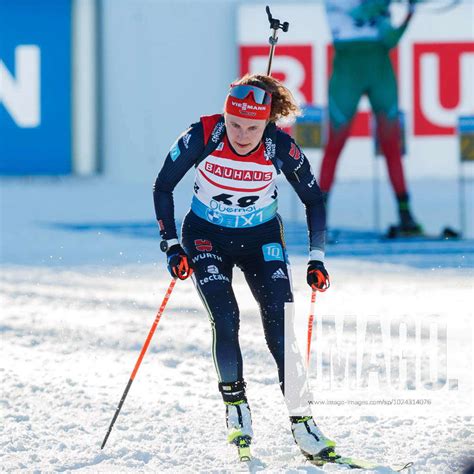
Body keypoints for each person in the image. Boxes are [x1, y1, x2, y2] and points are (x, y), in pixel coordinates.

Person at [153, 74, 334, 460]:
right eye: (234, 123)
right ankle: (237, 409)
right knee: (226, 315)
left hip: (261, 239)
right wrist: (170, 245)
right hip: (205, 237)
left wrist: (316, 257)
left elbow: (314, 199)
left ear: (267, 122)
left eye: (252, 126)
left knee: (280, 326)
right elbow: (163, 186)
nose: (242, 134)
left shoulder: (278, 145)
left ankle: (303, 423)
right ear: (225, 115)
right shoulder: (204, 134)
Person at [321, 0, 422, 235]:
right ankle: (318, 214)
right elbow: (361, 10)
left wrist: (410, 13)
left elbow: (390, 40)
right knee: (335, 143)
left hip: (379, 67)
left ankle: (405, 213)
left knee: (391, 145)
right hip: (348, 70)